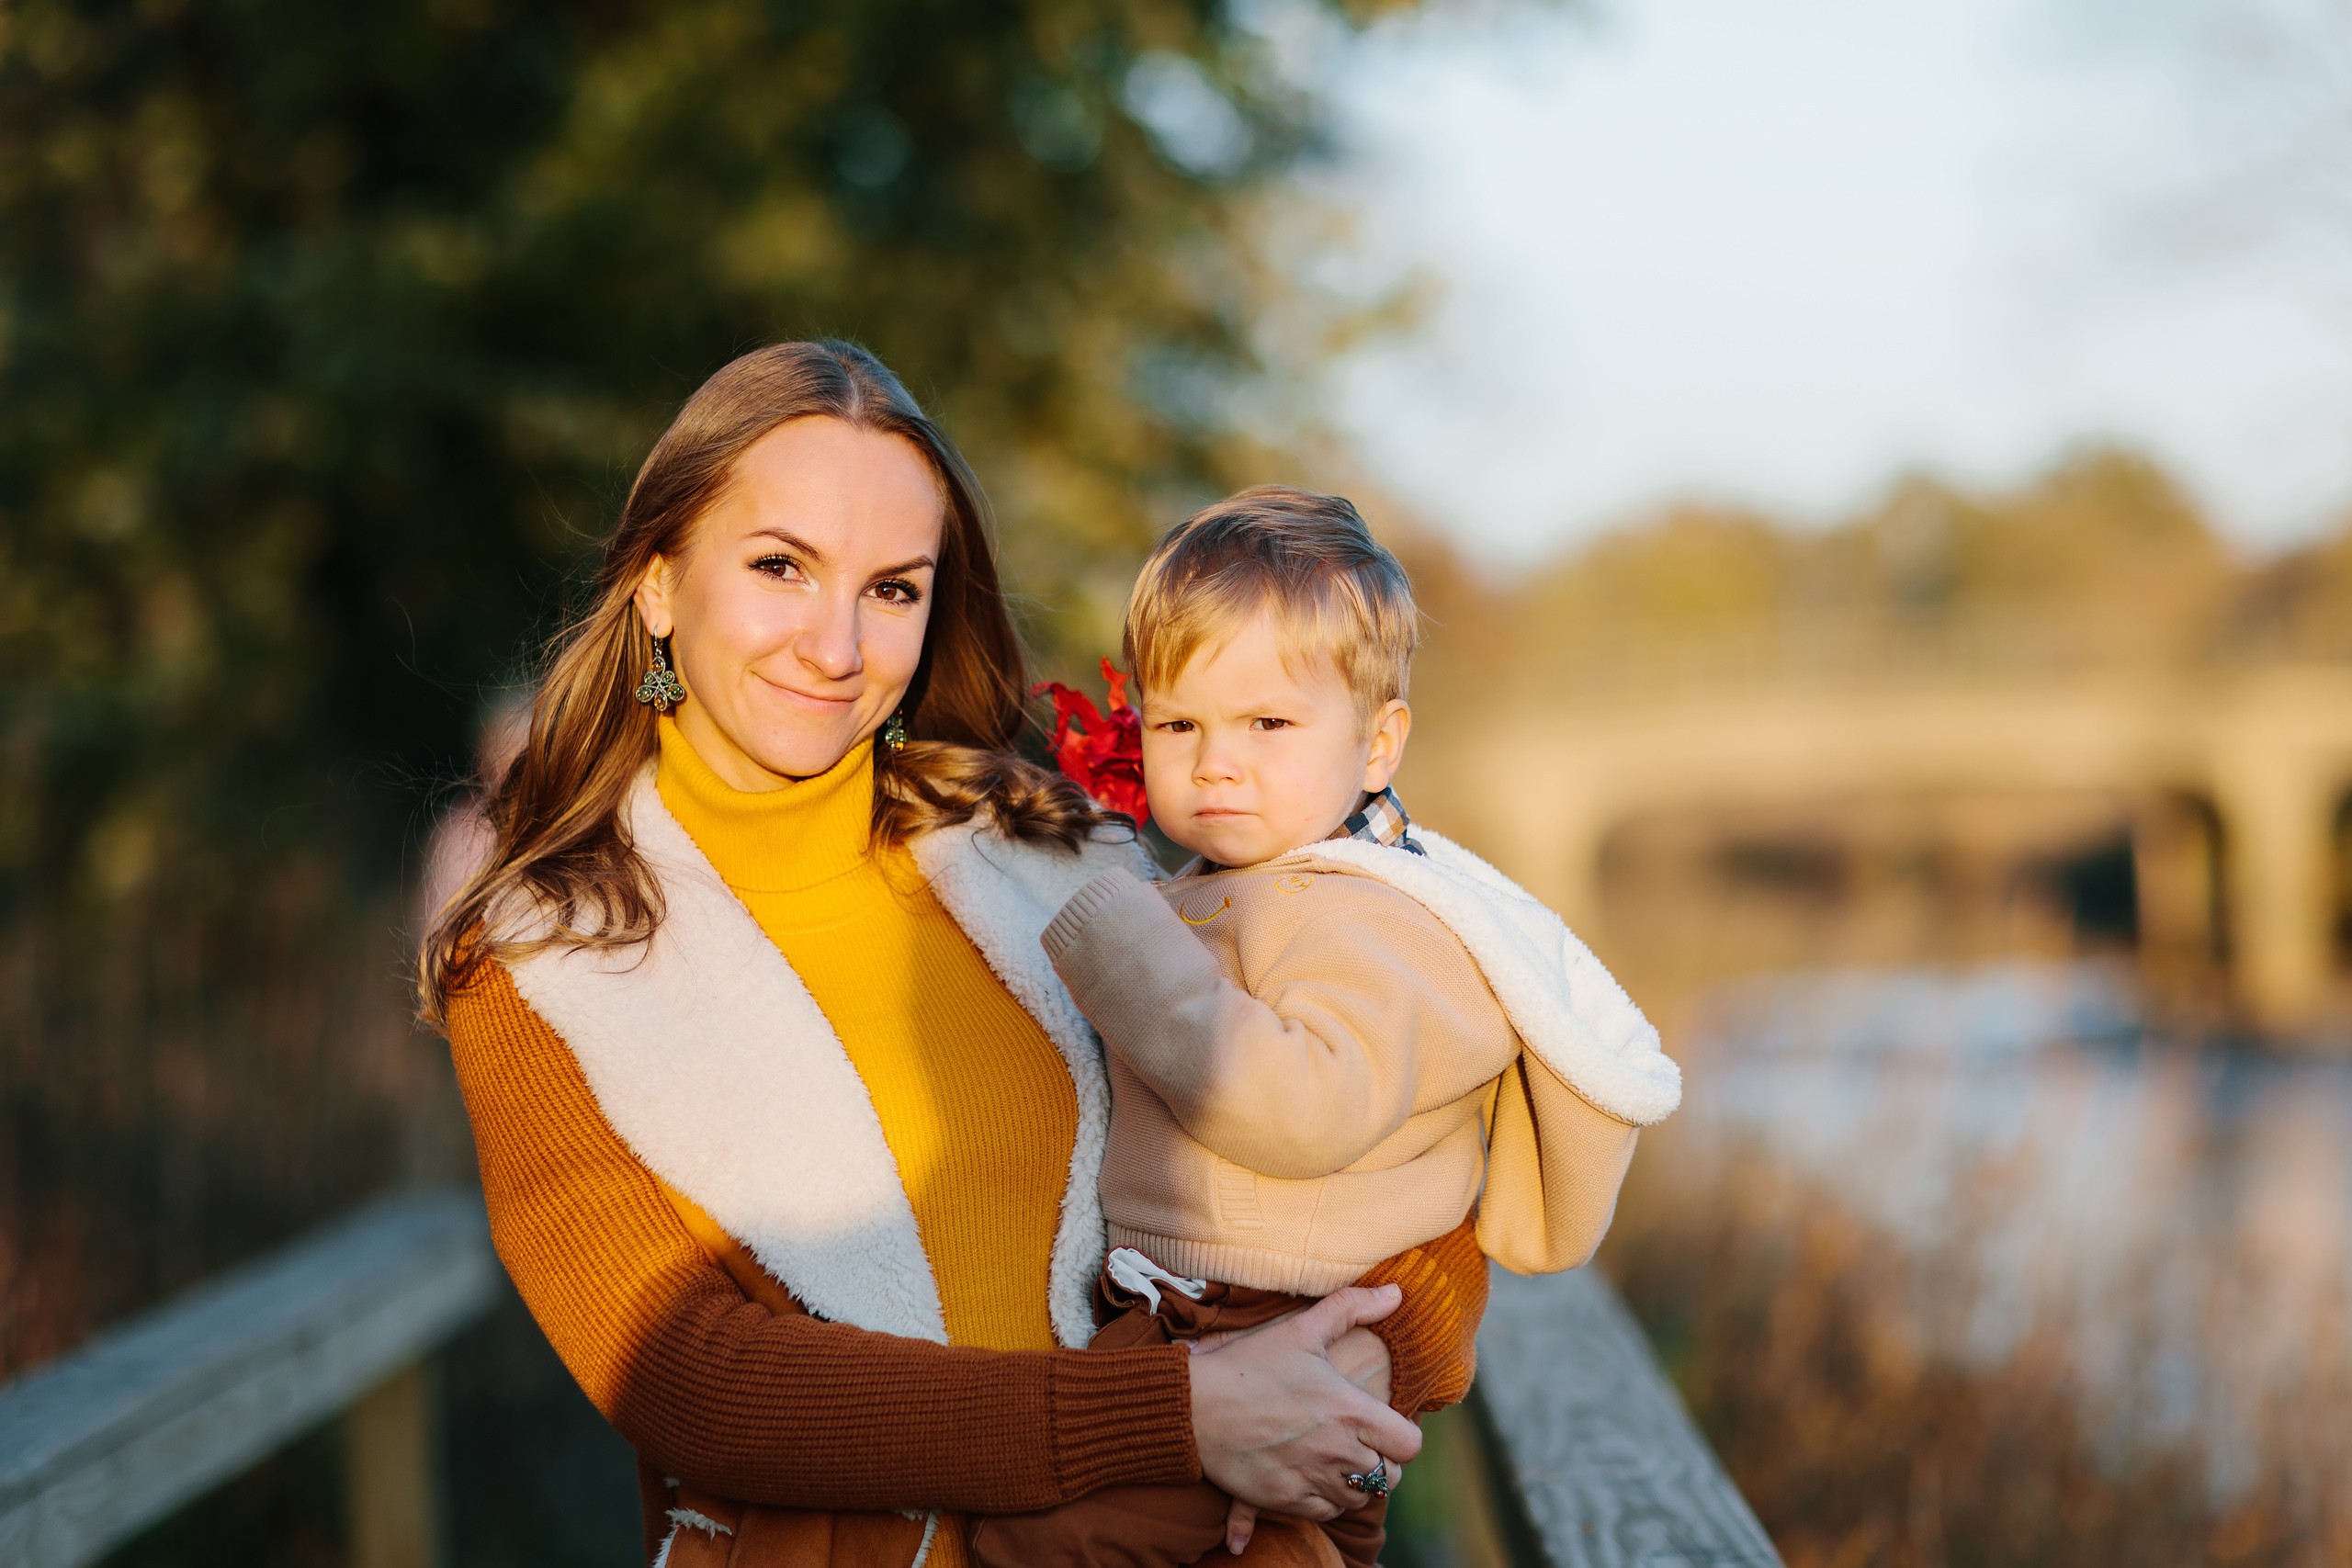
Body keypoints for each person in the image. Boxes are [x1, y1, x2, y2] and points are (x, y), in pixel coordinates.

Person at [417, 345, 1453, 1568]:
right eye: (778, 567)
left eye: (894, 588)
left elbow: (1394, 1117)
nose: (836, 643)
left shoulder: (1054, 853)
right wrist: (1181, 1414)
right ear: (657, 581)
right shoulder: (544, 957)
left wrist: (1365, 1355)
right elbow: (686, 1373)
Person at [970, 487, 1683, 1568]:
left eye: (1267, 723)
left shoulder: (1373, 919)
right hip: (1183, 1323)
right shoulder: (1222, 885)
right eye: (1178, 724)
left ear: (1377, 743)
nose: (1215, 760)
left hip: (1272, 1326)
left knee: (1037, 1542)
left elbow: (1302, 1110)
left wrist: (1119, 946)